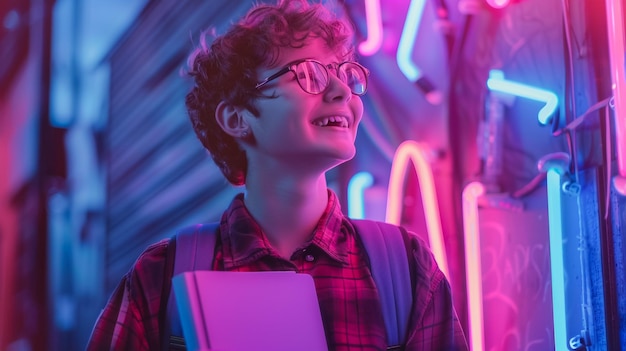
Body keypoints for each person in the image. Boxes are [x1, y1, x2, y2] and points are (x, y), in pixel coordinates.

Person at [87, 0, 468, 350]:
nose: (340, 91)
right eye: (307, 74)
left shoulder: (404, 267)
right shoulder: (160, 277)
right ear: (237, 118)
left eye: (345, 75)